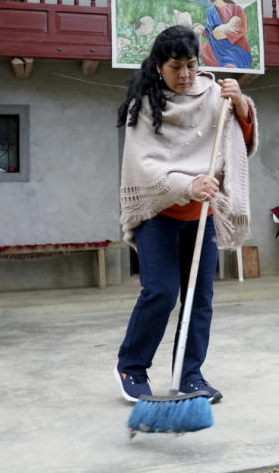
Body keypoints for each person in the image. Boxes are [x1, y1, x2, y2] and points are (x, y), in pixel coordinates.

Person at [114, 24, 257, 405]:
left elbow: (236, 143)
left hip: (203, 216)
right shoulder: (143, 105)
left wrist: (240, 105)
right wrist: (187, 185)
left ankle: (188, 374)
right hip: (157, 213)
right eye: (176, 67)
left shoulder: (213, 95)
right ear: (159, 66)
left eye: (191, 65)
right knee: (161, 291)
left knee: (199, 297)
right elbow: (142, 166)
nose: (185, 75)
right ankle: (131, 366)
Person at [195, 0, 253, 69]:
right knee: (204, 49)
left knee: (232, 61)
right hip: (217, 45)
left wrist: (225, 35)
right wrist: (203, 29)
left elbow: (242, 29)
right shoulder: (210, 11)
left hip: (235, 46)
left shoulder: (236, 8)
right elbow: (212, 30)